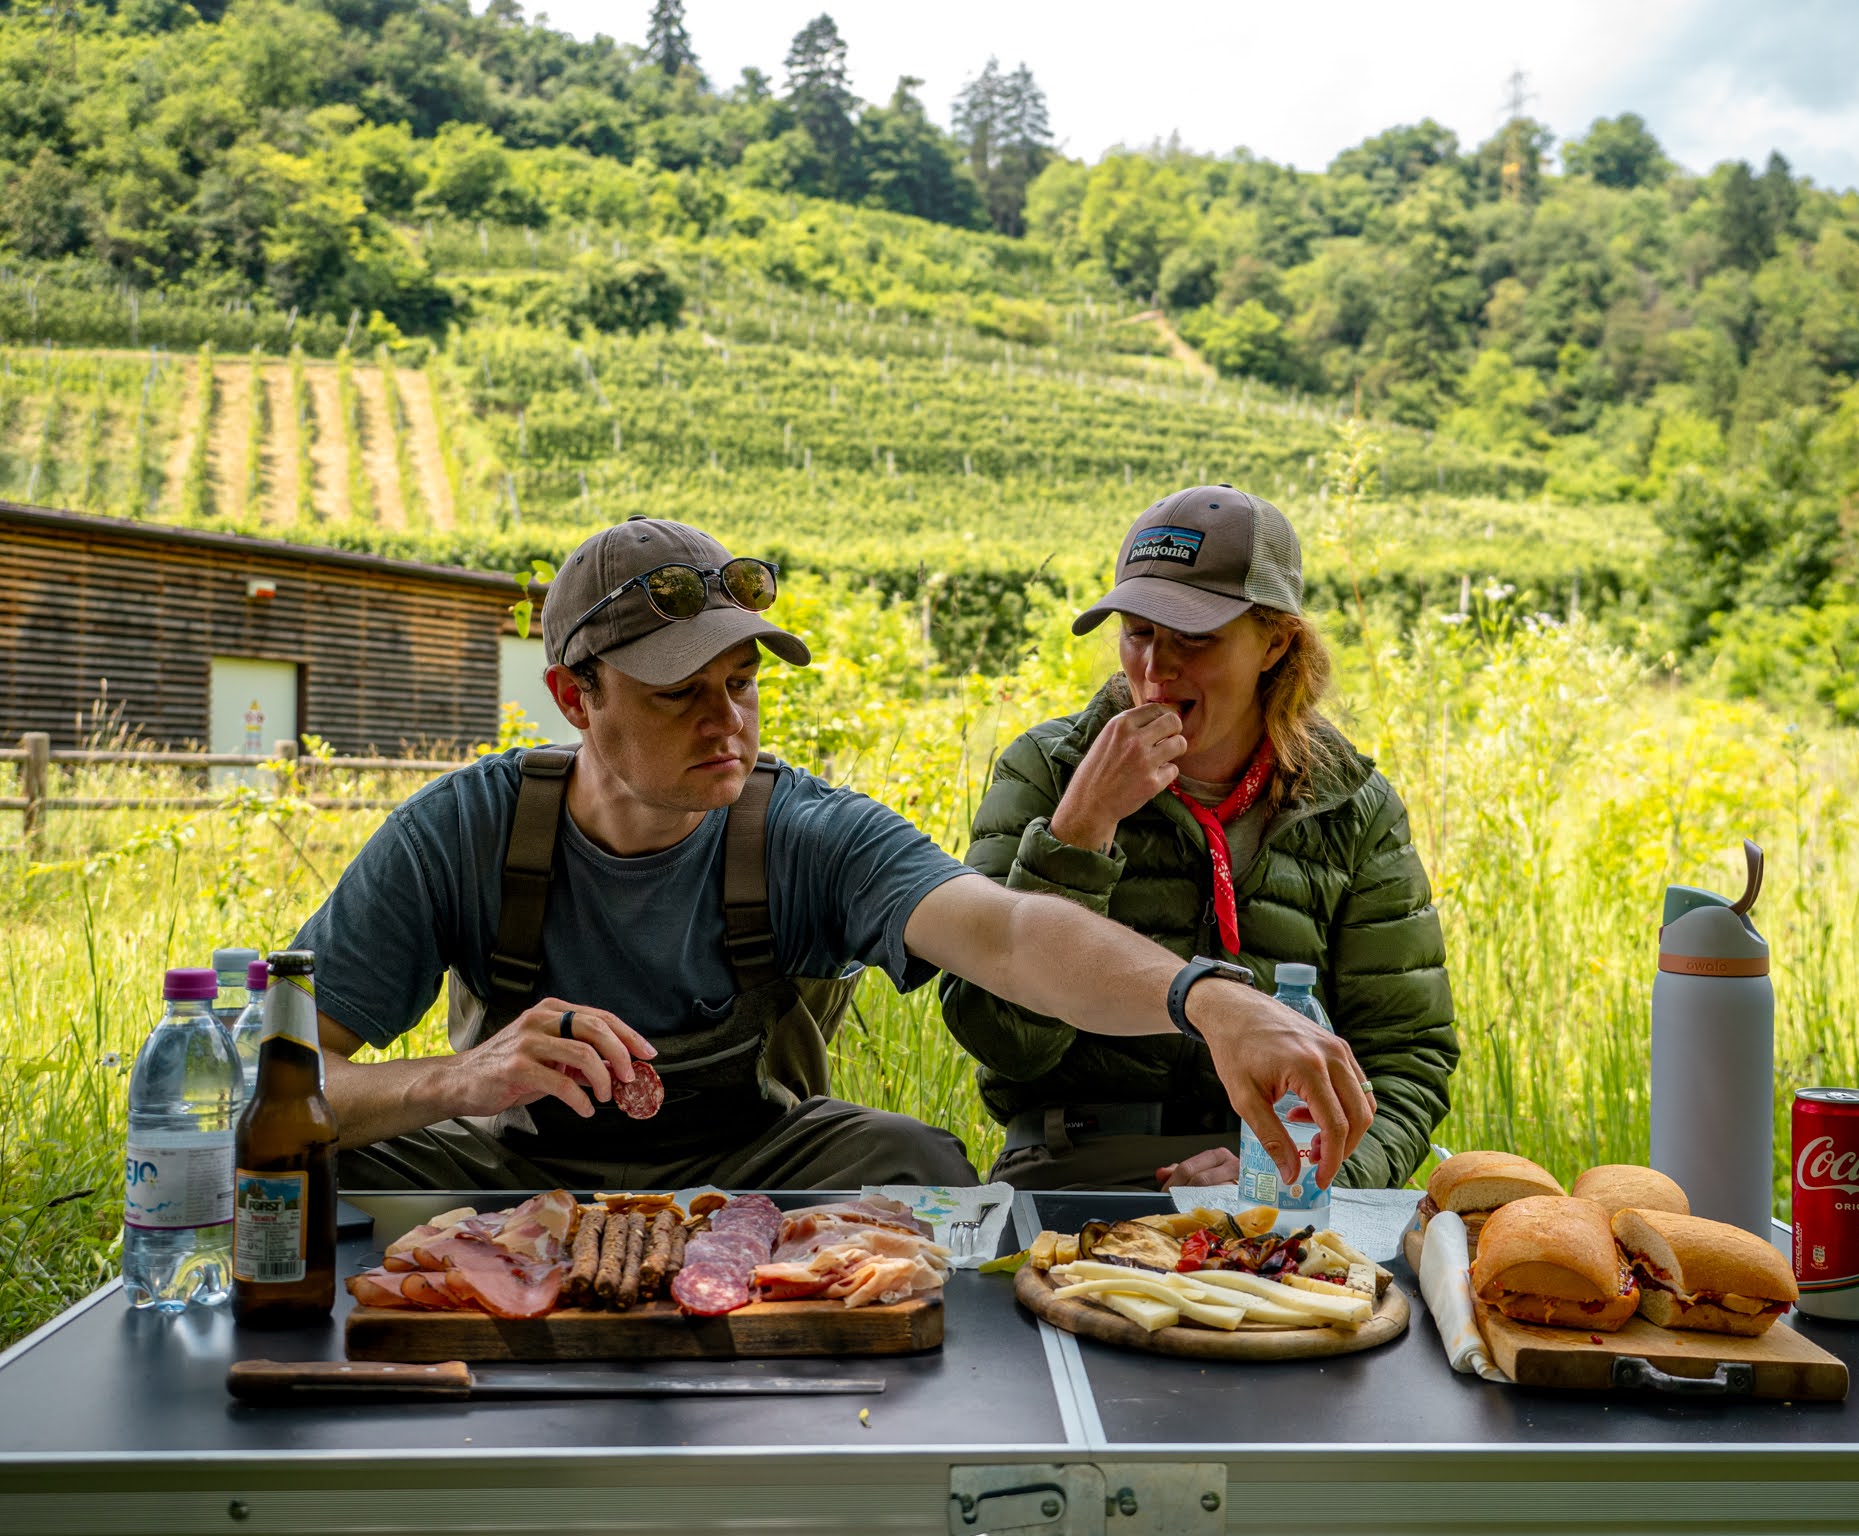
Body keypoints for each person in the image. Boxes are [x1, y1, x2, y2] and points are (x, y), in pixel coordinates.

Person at [300, 515, 1371, 1194]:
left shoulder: (804, 830)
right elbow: (270, 1081)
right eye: (680, 694)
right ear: (574, 699)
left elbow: (1005, 934)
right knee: (296, 1161)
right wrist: (459, 1078)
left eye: (741, 683)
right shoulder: (461, 831)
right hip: (505, 1168)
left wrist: (1207, 999)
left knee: (912, 1164)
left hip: (755, 1176)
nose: (727, 722)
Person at [939, 485, 1458, 1192]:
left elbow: (1406, 1058)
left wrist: (1303, 1171)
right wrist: (1080, 832)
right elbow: (1005, 1042)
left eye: (1195, 638)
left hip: (1281, 1181)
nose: (1156, 670)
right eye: (1138, 632)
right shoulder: (1048, 770)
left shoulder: (1350, 805)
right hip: (1075, 1169)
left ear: (1276, 641)